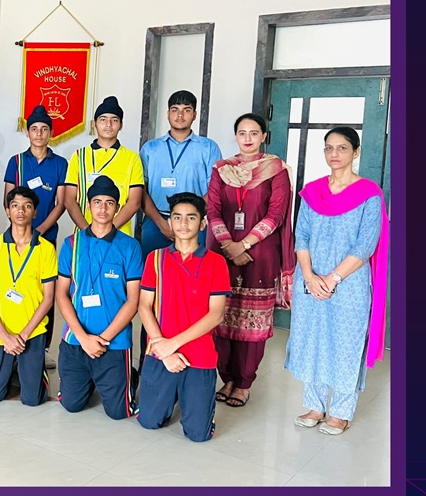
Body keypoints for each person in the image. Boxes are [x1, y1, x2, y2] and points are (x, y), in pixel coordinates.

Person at [285, 128, 389, 436]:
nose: (334, 154)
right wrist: (308, 276)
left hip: (349, 283)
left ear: (355, 152)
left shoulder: (369, 194)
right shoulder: (312, 191)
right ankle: (315, 405)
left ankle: (341, 411)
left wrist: (332, 279)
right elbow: (301, 235)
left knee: (346, 343)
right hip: (309, 279)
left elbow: (365, 244)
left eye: (342, 148)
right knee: (313, 339)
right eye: (329, 148)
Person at [206, 112, 295, 409]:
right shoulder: (221, 169)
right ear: (235, 136)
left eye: (254, 133)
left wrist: (243, 244)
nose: (247, 138)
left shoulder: (276, 169)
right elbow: (213, 210)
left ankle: (244, 383)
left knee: (251, 322)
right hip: (222, 253)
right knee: (221, 316)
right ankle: (227, 378)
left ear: (263, 136)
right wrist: (228, 246)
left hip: (260, 254)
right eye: (242, 133)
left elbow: (276, 214)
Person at [138, 193, 231, 442]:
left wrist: (173, 344)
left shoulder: (216, 263)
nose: (183, 223)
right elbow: (144, 306)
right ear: (170, 222)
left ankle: (190, 396)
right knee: (149, 421)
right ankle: (174, 393)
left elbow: (216, 314)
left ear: (202, 223)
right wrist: (164, 348)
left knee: (199, 434)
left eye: (191, 218)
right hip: (160, 351)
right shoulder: (155, 259)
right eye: (177, 217)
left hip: (199, 355)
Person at [56, 176, 142, 417]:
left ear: (117, 207)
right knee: (71, 405)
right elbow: (61, 294)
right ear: (88, 205)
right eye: (97, 202)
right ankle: (93, 378)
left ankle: (128, 375)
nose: (103, 208)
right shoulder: (71, 244)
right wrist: (84, 338)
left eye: (109, 203)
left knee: (119, 412)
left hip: (114, 342)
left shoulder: (130, 246)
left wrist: (102, 339)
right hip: (76, 341)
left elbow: (133, 300)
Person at [0, 187, 57, 406]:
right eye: (15, 206)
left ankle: (30, 367)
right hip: (0, 332)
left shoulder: (46, 249)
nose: (21, 210)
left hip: (31, 332)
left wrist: (22, 335)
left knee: (32, 399)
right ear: (7, 211)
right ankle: (6, 364)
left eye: (27, 206)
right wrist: (4, 334)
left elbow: (48, 298)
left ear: (35, 212)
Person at [3, 104, 68, 356]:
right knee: (14, 287)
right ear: (27, 132)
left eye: (44, 129)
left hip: (45, 238)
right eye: (34, 129)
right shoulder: (16, 162)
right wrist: (23, 229)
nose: (39, 134)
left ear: (51, 133)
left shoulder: (60, 163)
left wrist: (39, 230)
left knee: (44, 293)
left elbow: (61, 203)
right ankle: (11, 339)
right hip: (16, 238)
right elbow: (8, 199)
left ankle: (43, 347)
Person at [138, 91, 221, 257]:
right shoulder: (150, 148)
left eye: (186, 110)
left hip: (194, 222)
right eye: (175, 110)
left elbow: (215, 189)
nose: (180, 115)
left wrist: (192, 219)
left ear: (195, 115)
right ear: (168, 114)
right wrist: (161, 223)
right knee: (154, 268)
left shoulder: (208, 148)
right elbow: (141, 190)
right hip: (157, 221)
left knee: (195, 269)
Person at [64, 95, 144, 237]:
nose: (108, 124)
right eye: (103, 119)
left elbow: (134, 202)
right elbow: (69, 199)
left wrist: (107, 231)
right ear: (95, 123)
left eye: (114, 120)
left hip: (120, 235)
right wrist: (88, 231)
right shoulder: (79, 156)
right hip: (85, 234)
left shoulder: (132, 158)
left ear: (121, 125)